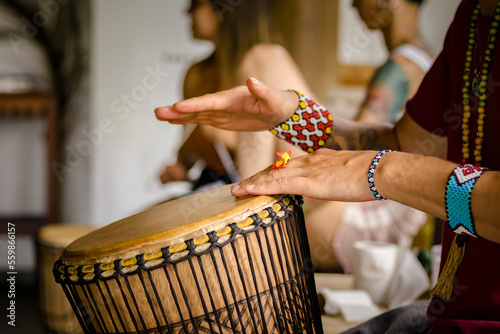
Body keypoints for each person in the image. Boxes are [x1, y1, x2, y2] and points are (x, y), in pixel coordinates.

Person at [155, 0, 500, 331]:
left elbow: (392, 159)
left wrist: (381, 170)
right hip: (452, 314)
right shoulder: (471, 18)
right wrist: (292, 117)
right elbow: (404, 143)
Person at [305, 0, 434, 272]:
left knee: (265, 58)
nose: (353, 4)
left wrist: (290, 118)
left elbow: (351, 156)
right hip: (397, 211)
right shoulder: (424, 58)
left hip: (375, 219)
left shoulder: (400, 69)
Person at [159, 0, 310, 192]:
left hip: (270, 189)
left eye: (196, 3)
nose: (186, 11)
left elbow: (295, 156)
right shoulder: (196, 74)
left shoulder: (266, 60)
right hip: (216, 183)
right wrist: (182, 166)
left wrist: (226, 136)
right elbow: (191, 141)